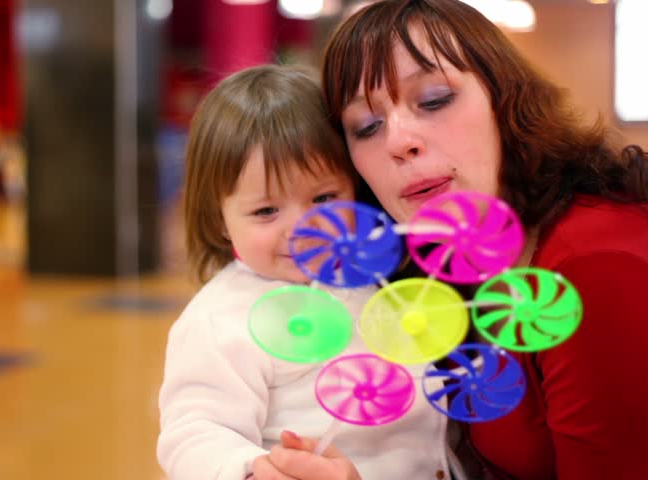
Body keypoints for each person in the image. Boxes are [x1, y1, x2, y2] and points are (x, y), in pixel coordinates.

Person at [252, 1, 648, 479]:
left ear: (505, 99)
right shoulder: (453, 264)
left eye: (433, 100)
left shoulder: (597, 264)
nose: (397, 140)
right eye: (366, 127)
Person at [157, 64, 450, 480]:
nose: (302, 229)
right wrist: (248, 470)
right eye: (266, 211)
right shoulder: (221, 320)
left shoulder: (381, 276)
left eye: (324, 198)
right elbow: (194, 432)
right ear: (220, 219)